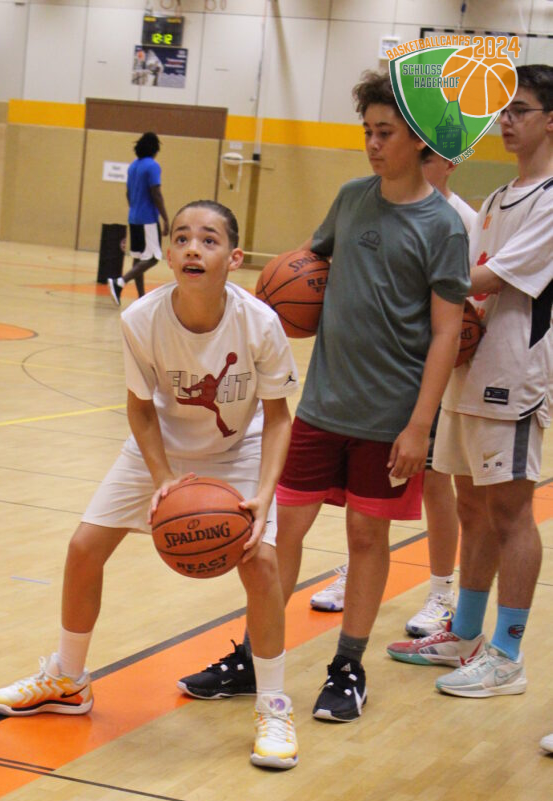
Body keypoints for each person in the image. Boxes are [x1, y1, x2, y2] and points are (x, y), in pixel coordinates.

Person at [179, 71, 470, 723]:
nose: (373, 144)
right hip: (318, 406)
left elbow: (447, 331)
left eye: (385, 132)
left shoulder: (443, 226)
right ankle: (254, 655)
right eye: (367, 131)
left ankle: (348, 665)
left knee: (366, 537)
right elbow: (306, 267)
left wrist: (419, 425)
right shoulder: (350, 199)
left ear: (417, 139)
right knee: (281, 533)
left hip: (389, 414)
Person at [0, 200, 301, 770]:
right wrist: (162, 480)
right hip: (161, 448)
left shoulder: (260, 322)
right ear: (168, 255)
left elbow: (278, 418)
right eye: (181, 238)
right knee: (85, 547)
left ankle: (274, 705)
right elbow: (140, 408)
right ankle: (68, 679)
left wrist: (263, 494)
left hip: (240, 448)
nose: (192, 248)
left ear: (234, 258)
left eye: (208, 240)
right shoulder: (141, 319)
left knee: (262, 565)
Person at [387, 65, 553, 711]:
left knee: (510, 512)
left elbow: (482, 280)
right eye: (503, 110)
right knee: (473, 508)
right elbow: (467, 281)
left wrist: (404, 275)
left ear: (550, 121)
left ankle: (506, 656)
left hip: (513, 374)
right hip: (469, 368)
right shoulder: (497, 198)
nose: (505, 121)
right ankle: (464, 634)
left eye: (520, 110)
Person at [310, 152, 477, 636]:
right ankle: (356, 571)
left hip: (426, 373)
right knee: (364, 496)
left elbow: (464, 306)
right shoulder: (371, 200)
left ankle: (441, 591)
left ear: (448, 162)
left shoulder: (459, 220)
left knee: (435, 481)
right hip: (368, 379)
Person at [107, 132, 169, 306]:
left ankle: (141, 298)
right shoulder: (153, 166)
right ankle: (120, 282)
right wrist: (165, 218)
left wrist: (135, 209)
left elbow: (128, 193)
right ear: (155, 149)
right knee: (153, 257)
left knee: (138, 258)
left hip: (134, 217)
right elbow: (156, 193)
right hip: (148, 219)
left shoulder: (133, 166)